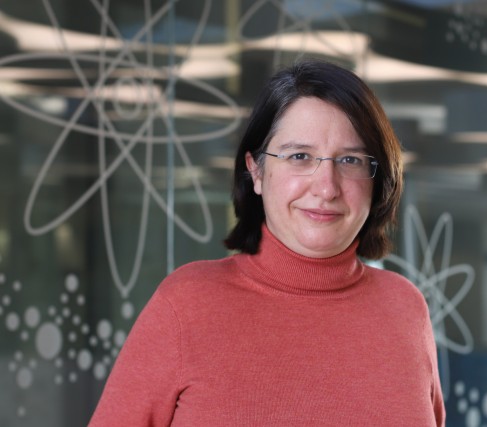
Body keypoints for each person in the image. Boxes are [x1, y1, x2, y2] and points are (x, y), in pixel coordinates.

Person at [89, 59, 445, 426]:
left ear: (377, 178)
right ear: (256, 170)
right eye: (299, 156)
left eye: (351, 159)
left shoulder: (405, 309)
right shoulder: (186, 307)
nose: (326, 187)